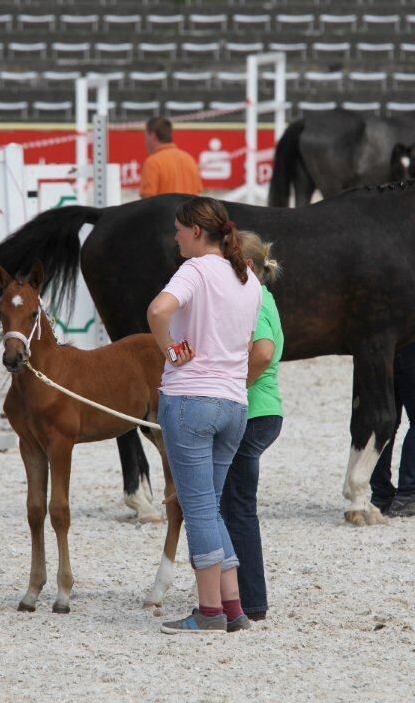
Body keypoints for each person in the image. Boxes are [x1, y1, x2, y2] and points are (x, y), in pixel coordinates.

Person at [147, 197, 262, 634]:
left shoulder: (195, 269)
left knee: (197, 510)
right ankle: (232, 608)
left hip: (191, 396)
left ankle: (209, 611)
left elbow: (158, 310)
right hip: (234, 402)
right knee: (210, 508)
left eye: (179, 229)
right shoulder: (247, 278)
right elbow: (249, 343)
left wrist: (171, 350)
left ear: (197, 231)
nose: (175, 236)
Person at [220, 232, 283, 623]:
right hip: (264, 411)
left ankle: (250, 602)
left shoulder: (255, 299)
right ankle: (243, 596)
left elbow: (262, 351)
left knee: (237, 507)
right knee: (236, 506)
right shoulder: (266, 297)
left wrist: (231, 385)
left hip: (254, 411)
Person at [370, 342, 415, 516]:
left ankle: (380, 494)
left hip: (382, 347)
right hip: (410, 341)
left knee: (384, 421)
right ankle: (407, 494)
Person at [139, 116, 203, 198]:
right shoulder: (189, 160)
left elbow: (147, 201)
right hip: (189, 211)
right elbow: (198, 193)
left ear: (153, 136)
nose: (145, 141)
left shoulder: (152, 162)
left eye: (145, 136)